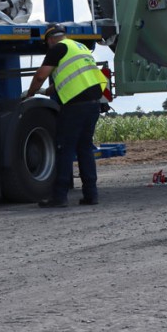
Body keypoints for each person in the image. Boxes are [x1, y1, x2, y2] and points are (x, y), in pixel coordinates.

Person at [24, 23, 107, 208]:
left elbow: (40, 76)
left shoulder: (57, 48)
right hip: (93, 103)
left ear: (51, 39)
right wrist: (48, 91)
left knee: (65, 149)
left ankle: (59, 197)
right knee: (84, 148)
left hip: (75, 106)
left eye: (47, 43)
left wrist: (30, 93)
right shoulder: (79, 47)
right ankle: (91, 195)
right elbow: (72, 76)